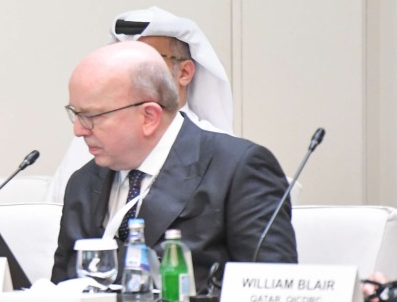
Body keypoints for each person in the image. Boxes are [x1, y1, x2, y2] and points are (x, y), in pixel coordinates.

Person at [51, 41, 296, 287]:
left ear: (149, 116)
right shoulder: (83, 182)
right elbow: (60, 291)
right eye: (75, 113)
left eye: (91, 116)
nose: (78, 130)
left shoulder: (237, 169)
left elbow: (270, 293)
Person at [46, 6, 235, 202]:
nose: (129, 73)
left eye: (146, 61)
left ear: (185, 73)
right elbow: (52, 218)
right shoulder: (88, 141)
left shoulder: (219, 154)